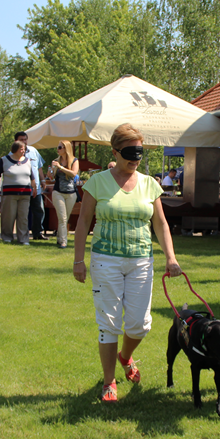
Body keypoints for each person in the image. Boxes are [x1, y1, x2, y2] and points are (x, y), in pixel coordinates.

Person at [73, 123, 181, 403]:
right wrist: (78, 261)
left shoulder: (149, 183)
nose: (135, 159)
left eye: (139, 153)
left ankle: (126, 356)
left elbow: (161, 223)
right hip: (105, 260)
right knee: (108, 323)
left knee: (139, 324)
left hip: (141, 261)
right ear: (115, 151)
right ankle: (109, 381)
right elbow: (84, 222)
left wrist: (170, 257)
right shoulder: (97, 182)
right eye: (130, 153)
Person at [0, 142, 34, 244]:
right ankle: (7, 237)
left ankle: (23, 239)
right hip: (9, 193)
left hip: (25, 193)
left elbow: (31, 176)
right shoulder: (4, 160)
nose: (23, 151)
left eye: (24, 149)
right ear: (14, 149)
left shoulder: (28, 161)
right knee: (8, 216)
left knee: (23, 217)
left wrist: (35, 187)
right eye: (21, 149)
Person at [15, 131, 48, 240]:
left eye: (25, 139)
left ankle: (37, 233)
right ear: (16, 141)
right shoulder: (13, 154)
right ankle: (22, 234)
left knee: (39, 210)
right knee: (22, 212)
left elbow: (39, 167)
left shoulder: (33, 151)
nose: (24, 141)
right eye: (21, 139)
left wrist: (43, 180)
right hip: (22, 188)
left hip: (36, 188)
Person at [50, 140, 80, 249]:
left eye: (60, 147)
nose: (58, 150)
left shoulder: (74, 161)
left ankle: (59, 238)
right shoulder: (55, 161)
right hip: (58, 192)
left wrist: (61, 167)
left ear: (66, 149)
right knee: (62, 218)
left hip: (71, 193)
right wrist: (51, 172)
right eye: (58, 147)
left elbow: (73, 173)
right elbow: (52, 176)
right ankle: (63, 241)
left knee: (64, 218)